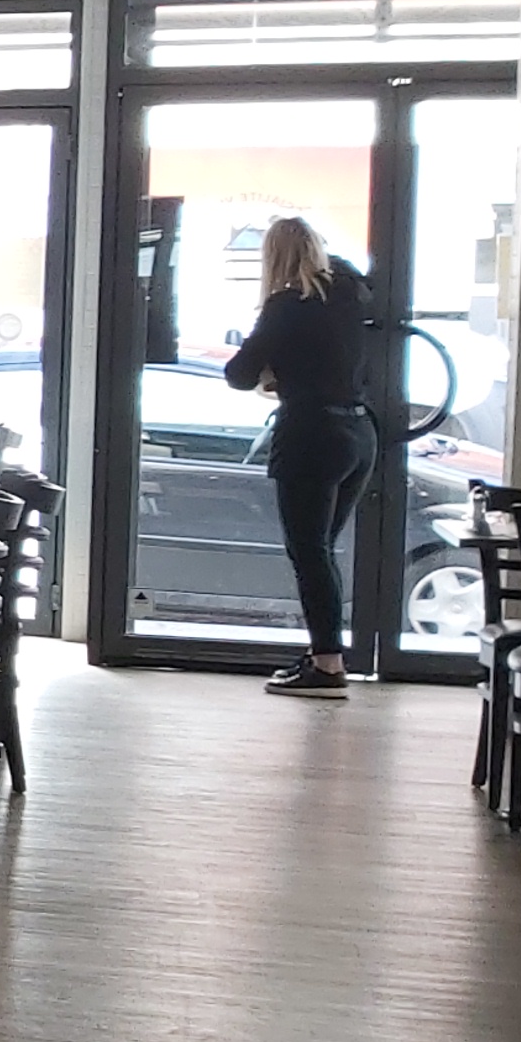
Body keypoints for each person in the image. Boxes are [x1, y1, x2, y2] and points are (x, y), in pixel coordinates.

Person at [223, 216, 378, 698]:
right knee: (321, 552)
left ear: (273, 258)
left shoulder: (286, 305)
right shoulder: (351, 293)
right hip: (359, 433)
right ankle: (323, 654)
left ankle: (328, 664)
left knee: (309, 553)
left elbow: (239, 374)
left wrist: (276, 370)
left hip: (311, 434)